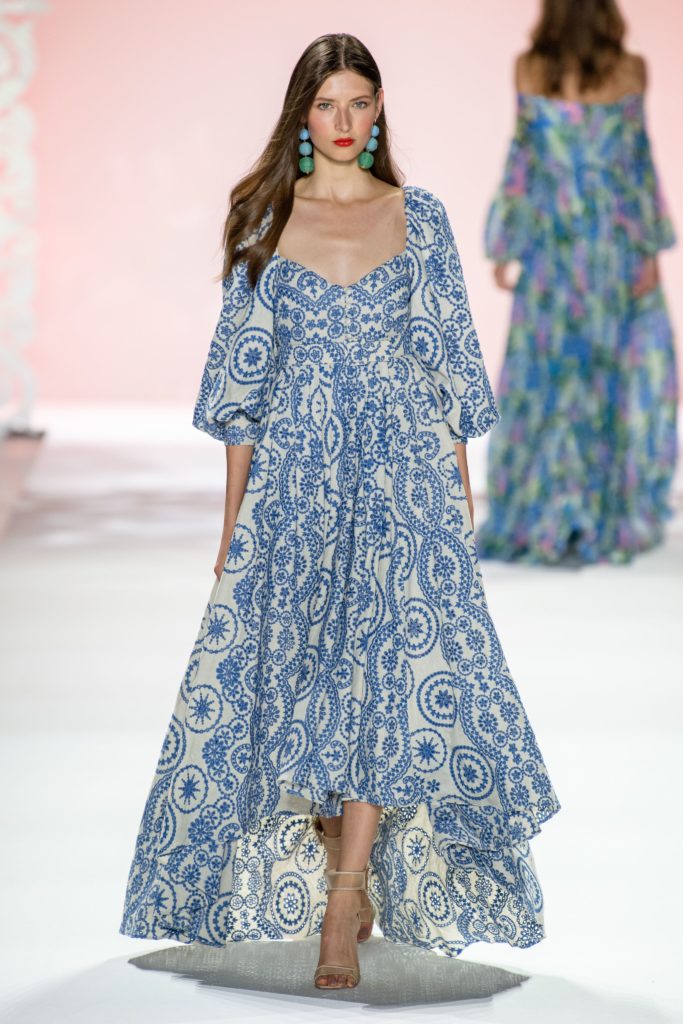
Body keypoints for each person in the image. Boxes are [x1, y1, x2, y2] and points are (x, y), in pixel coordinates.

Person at [119, 33, 560, 990]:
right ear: (302, 115)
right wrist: (231, 526)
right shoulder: (264, 217)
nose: (345, 122)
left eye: (360, 103)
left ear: (379, 108)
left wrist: (457, 493)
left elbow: (447, 357)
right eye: (328, 105)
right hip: (296, 483)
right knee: (303, 681)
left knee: (381, 680)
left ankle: (343, 898)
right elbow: (241, 383)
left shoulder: (419, 218)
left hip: (401, 480)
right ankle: (334, 855)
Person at [477, 0, 677, 565]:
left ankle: (547, 510)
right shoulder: (630, 70)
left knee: (550, 375)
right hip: (610, 248)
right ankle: (595, 510)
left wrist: (507, 240)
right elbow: (636, 166)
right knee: (601, 375)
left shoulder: (530, 68)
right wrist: (649, 249)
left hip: (553, 245)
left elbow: (525, 161)